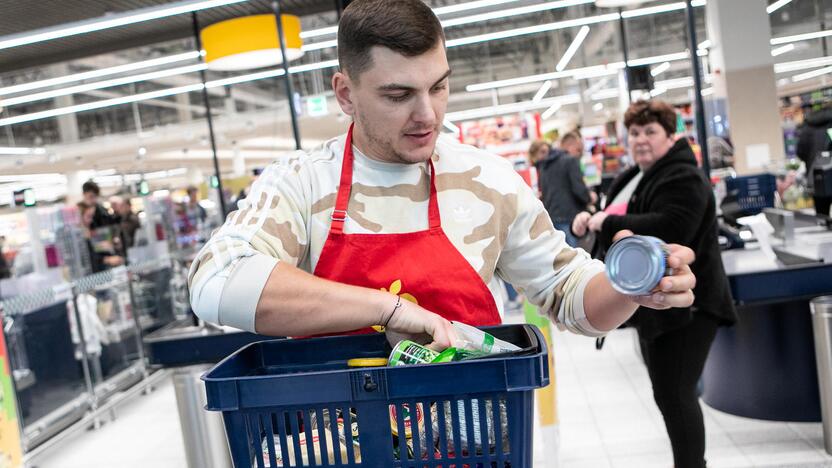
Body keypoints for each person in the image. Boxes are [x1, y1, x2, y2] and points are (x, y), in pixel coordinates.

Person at [187, 0, 696, 357]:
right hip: (341, 438)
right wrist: (389, 311)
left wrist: (633, 287)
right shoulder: (301, 185)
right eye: (397, 95)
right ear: (345, 94)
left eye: (439, 86)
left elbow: (570, 296)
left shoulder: (486, 182)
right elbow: (215, 281)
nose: (427, 114)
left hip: (472, 437)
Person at [572, 99, 737, 468]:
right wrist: (589, 220)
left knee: (676, 393)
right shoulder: (636, 176)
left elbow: (673, 229)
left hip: (688, 304)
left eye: (650, 131)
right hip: (659, 307)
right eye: (634, 132)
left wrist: (608, 225)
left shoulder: (682, 175)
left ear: (670, 135)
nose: (641, 139)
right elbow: (611, 213)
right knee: (669, 392)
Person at [537, 131, 596, 247]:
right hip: (570, 218)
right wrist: (590, 198)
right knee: (576, 259)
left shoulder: (544, 164)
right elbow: (579, 190)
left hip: (551, 219)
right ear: (570, 146)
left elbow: (542, 192)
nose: (580, 154)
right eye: (578, 150)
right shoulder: (571, 161)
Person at [796, 106, 832, 216]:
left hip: (816, 177)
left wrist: (811, 161)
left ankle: (824, 228)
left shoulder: (807, 128)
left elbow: (800, 152)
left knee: (821, 213)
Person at [78, 202, 124, 273]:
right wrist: (107, 259)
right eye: (88, 216)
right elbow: (85, 258)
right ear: (79, 217)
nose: (91, 220)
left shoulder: (89, 230)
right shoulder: (77, 237)